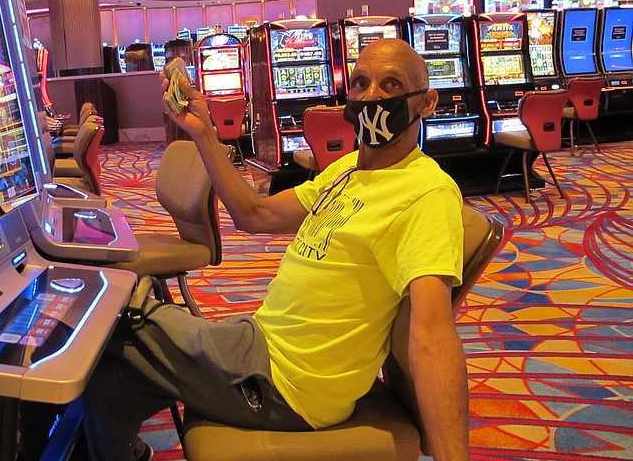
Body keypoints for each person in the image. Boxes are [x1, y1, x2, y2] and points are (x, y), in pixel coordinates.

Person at [81, 38, 470, 460]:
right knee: (111, 381)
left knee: (116, 320)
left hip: (289, 384)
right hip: (263, 342)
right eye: (360, 83)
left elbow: (432, 335)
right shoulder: (348, 170)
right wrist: (203, 131)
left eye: (391, 85)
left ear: (426, 102)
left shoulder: (426, 193)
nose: (370, 96)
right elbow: (255, 215)